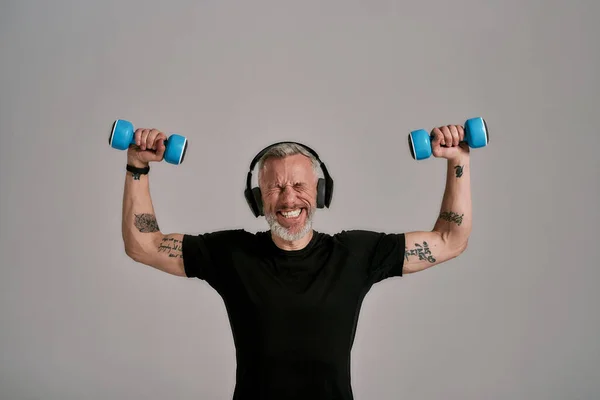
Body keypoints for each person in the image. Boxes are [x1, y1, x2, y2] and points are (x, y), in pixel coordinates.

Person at [121, 124, 472, 399]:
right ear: (258, 200)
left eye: (300, 185)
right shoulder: (231, 255)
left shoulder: (355, 255)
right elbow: (143, 245)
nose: (289, 198)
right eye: (276, 188)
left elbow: (449, 240)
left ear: (320, 192)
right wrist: (137, 166)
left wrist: (458, 161)